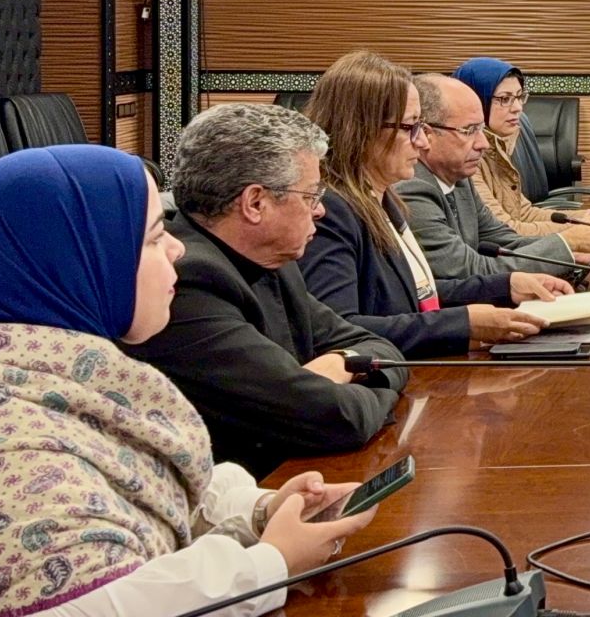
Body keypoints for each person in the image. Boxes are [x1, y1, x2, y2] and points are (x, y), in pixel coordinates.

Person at [0, 146, 375, 617]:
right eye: (154, 236)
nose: (178, 249)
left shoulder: (47, 377)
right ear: (81, 263)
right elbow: (105, 603)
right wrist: (271, 565)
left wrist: (260, 510)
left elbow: (135, 489)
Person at [125, 103, 408, 478]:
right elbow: (336, 417)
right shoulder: (188, 284)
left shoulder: (272, 259)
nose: (320, 210)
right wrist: (357, 380)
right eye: (310, 195)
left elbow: (382, 351)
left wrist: (340, 362)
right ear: (255, 203)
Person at [301, 50, 568, 357]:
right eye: (409, 128)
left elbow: (413, 293)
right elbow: (339, 331)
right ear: (362, 129)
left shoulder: (382, 197)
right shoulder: (330, 210)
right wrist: (462, 324)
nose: (423, 141)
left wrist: (505, 285)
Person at [396, 74, 589, 281]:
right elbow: (469, 270)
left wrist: (571, 254)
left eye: (481, 129)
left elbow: (505, 240)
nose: (484, 144)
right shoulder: (411, 189)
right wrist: (568, 242)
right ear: (427, 134)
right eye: (469, 131)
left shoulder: (460, 179)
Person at [451, 57, 590, 262]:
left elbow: (523, 213)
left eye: (519, 97)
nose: (518, 107)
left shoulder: (498, 146)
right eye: (505, 99)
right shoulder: (465, 159)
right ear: (474, 101)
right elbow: (507, 231)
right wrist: (582, 230)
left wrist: (589, 218)